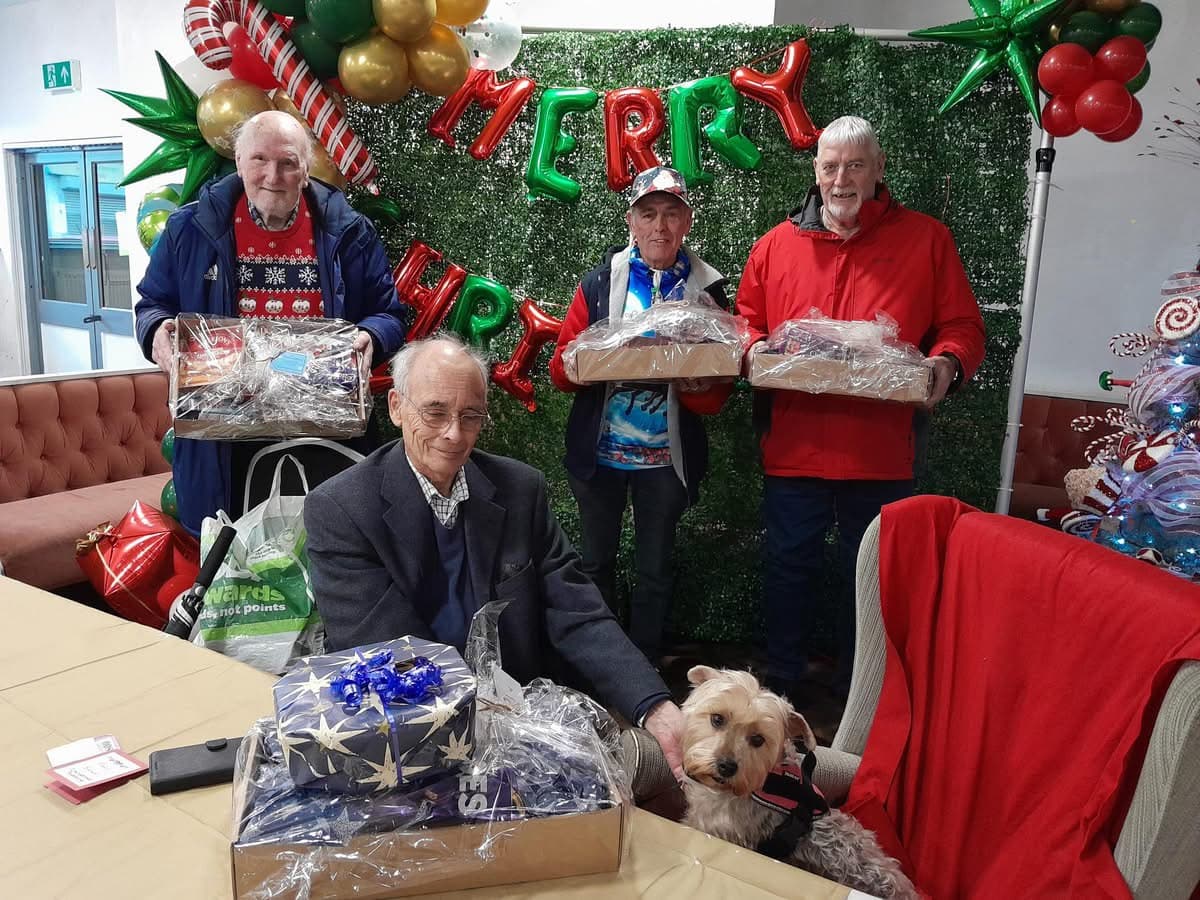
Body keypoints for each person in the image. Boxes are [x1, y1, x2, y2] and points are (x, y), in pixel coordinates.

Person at [303, 334, 686, 778]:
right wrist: (496, 730)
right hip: (409, 732)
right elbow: (391, 652)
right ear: (395, 407)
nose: (453, 433)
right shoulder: (342, 508)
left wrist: (652, 706)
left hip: (522, 713)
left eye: (470, 416)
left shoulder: (520, 490)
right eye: (435, 412)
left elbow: (577, 611)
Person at [736, 115, 986, 702]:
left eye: (855, 165)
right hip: (794, 449)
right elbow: (746, 322)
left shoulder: (926, 240)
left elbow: (962, 326)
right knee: (787, 569)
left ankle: (863, 696)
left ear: (878, 171)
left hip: (882, 455)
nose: (841, 178)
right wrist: (751, 350)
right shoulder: (774, 246)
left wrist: (946, 363)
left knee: (871, 581)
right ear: (815, 171)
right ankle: (778, 693)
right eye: (830, 166)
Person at [135, 109, 407, 535]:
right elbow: (151, 303)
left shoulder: (350, 232)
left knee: (325, 558)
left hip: (325, 438)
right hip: (222, 446)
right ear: (239, 163)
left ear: (306, 167)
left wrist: (373, 337)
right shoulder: (190, 229)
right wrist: (157, 332)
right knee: (230, 574)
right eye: (259, 160)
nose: (272, 176)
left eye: (287, 162)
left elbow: (389, 314)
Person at [548, 166, 731, 662]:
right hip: (600, 458)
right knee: (595, 562)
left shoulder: (708, 292)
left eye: (671, 214)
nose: (660, 227)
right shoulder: (599, 284)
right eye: (649, 214)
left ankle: (645, 666)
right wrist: (585, 365)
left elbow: (719, 391)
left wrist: (694, 384)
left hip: (665, 462)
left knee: (654, 567)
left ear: (687, 222)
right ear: (631, 222)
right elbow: (561, 368)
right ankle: (603, 661)